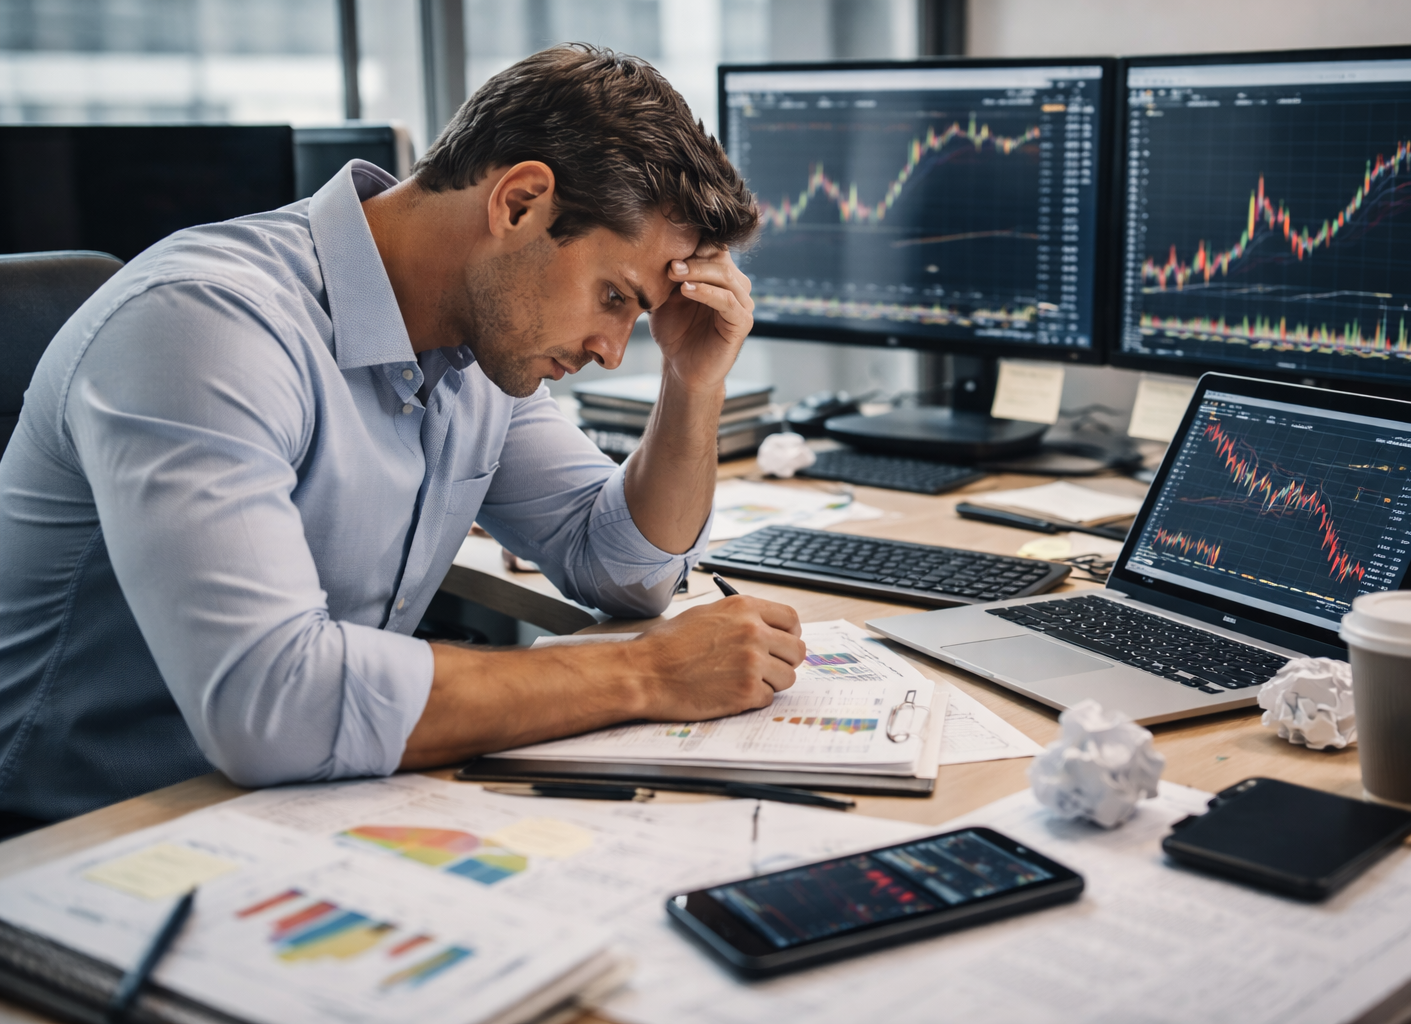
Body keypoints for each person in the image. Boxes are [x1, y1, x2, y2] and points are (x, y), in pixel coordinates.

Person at [0, 44, 806, 829]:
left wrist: (692, 384)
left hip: (306, 806)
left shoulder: (474, 345)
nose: (609, 350)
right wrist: (646, 671)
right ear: (519, 203)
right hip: (87, 838)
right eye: (614, 297)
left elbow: (622, 569)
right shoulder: (205, 324)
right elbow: (273, 703)